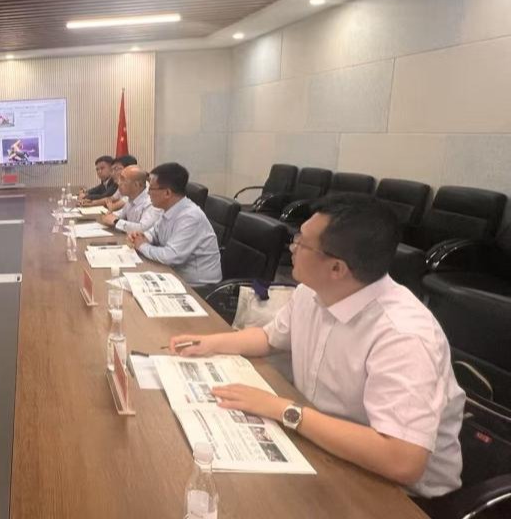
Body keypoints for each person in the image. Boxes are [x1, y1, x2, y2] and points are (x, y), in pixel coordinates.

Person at [168, 194, 465, 499]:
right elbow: (270, 338)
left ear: (337, 268)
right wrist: (210, 342)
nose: (291, 247)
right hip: (322, 444)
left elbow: (402, 461)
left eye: (302, 243)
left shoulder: (403, 335)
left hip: (398, 494)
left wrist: (282, 409)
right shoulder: (312, 292)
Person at [126, 162, 221, 285]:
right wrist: (142, 236)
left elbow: (170, 256)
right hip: (174, 275)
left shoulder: (190, 217)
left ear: (167, 193)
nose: (148, 193)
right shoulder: (169, 208)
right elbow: (155, 232)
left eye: (151, 188)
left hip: (198, 287)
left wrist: (142, 245)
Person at [98, 166, 163, 233]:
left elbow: (143, 229)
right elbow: (121, 215)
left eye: (122, 179)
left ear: (136, 185)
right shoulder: (131, 198)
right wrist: (109, 216)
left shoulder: (151, 202)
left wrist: (116, 221)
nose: (118, 183)